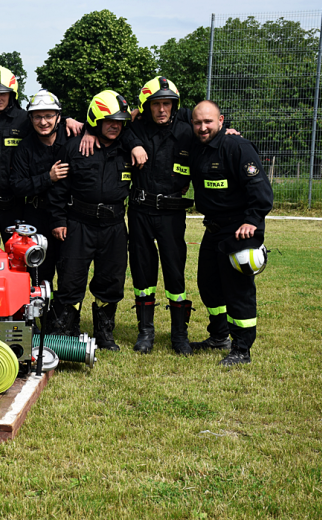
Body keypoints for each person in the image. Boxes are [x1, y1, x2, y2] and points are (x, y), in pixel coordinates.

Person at [189, 100, 273, 365]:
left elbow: (260, 191)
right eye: (198, 122)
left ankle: (242, 349)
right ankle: (218, 336)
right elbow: (168, 114)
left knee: (238, 291)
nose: (203, 127)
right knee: (208, 285)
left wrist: (252, 220)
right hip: (213, 228)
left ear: (221, 120)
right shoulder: (196, 146)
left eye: (208, 122)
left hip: (240, 230)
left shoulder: (237, 147)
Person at [48, 90, 132, 351]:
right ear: (96, 119)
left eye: (119, 121)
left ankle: (104, 332)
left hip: (115, 226)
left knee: (111, 280)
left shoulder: (128, 147)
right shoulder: (75, 147)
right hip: (78, 224)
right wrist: (58, 220)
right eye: (109, 120)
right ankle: (66, 328)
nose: (115, 126)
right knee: (71, 279)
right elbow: (59, 188)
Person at [124, 77, 196, 355]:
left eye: (167, 104)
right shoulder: (136, 129)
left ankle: (179, 334)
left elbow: (208, 127)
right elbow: (115, 128)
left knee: (175, 273)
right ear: (147, 106)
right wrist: (133, 143)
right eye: (156, 104)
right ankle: (146, 332)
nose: (162, 109)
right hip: (141, 210)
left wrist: (229, 131)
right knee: (142, 270)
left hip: (172, 213)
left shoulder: (188, 131)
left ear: (174, 106)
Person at [0, 66, 82, 246]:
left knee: (18, 257)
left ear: (12, 94)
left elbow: (47, 122)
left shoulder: (25, 119)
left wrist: (68, 119)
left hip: (16, 205)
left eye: (3, 93)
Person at [10, 89, 68, 286]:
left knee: (68, 270)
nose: (43, 122)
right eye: (37, 117)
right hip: (36, 215)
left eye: (49, 116)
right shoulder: (24, 148)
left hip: (67, 216)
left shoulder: (72, 142)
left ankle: (63, 314)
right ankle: (42, 312)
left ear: (58, 117)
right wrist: (47, 178)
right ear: (30, 118)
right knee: (38, 271)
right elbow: (17, 186)